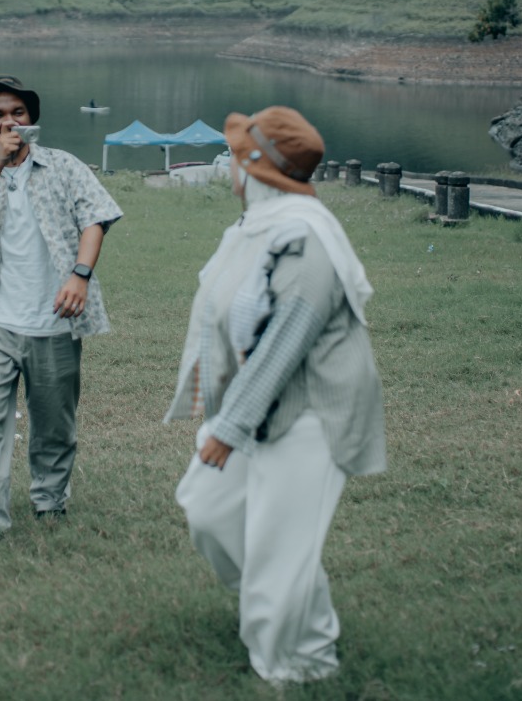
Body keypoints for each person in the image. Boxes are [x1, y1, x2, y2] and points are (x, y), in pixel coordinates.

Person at [165, 106, 385, 684]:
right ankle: (285, 607)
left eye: (235, 156)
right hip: (257, 403)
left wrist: (227, 429)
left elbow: (285, 345)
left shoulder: (306, 238)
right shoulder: (258, 225)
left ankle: (297, 665)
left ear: (255, 166)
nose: (228, 167)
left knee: (279, 543)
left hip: (311, 410)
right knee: (209, 509)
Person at [0, 74, 123, 550]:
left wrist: (80, 274)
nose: (10, 122)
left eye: (18, 112)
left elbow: (95, 217)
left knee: (54, 424)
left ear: (32, 120)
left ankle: (50, 502)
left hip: (55, 320)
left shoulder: (63, 166)